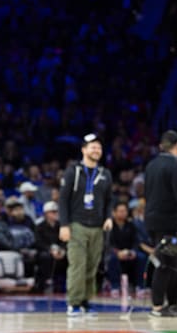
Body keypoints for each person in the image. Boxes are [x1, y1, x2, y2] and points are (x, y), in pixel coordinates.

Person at [58, 133, 114, 317]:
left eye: (99, 147)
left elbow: (109, 200)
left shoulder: (105, 174)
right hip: (77, 225)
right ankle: (73, 303)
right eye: (92, 146)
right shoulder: (73, 171)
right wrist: (64, 225)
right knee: (77, 265)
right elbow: (63, 200)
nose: (96, 149)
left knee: (92, 266)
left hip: (97, 226)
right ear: (83, 150)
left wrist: (108, 217)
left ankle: (86, 301)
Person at [144, 129, 177, 317]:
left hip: (154, 222)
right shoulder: (174, 165)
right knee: (166, 263)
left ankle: (173, 303)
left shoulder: (152, 164)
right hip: (170, 223)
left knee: (172, 262)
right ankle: (158, 306)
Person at [34, 201, 66, 293]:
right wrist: (50, 249)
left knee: (69, 257)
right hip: (45, 251)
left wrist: (62, 250)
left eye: (56, 211)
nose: (55, 214)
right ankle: (45, 282)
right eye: (53, 212)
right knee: (45, 257)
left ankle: (63, 284)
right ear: (46, 214)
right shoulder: (39, 226)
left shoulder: (61, 226)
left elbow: (65, 240)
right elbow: (38, 242)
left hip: (59, 251)